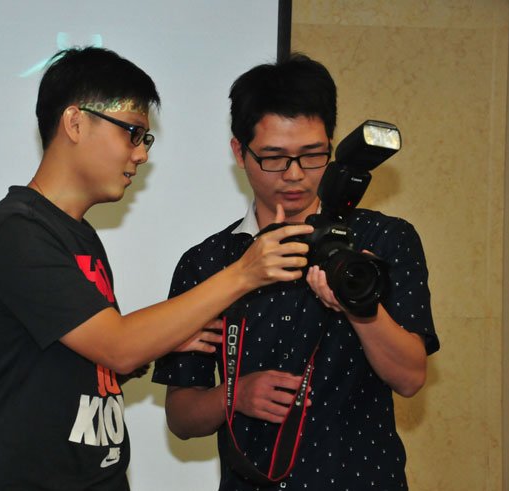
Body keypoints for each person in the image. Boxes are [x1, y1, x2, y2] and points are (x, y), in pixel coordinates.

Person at [0, 47, 312, 490]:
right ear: (75, 122)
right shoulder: (16, 231)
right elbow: (118, 346)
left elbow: (84, 365)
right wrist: (243, 273)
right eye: (132, 133)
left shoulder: (78, 235)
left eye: (146, 139)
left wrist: (162, 344)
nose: (141, 154)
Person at [152, 53, 440, 490]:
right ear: (239, 151)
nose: (294, 175)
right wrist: (234, 396)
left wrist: (360, 308)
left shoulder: (383, 240)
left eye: (312, 156)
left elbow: (410, 378)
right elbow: (181, 417)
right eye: (273, 157)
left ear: (332, 146)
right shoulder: (208, 262)